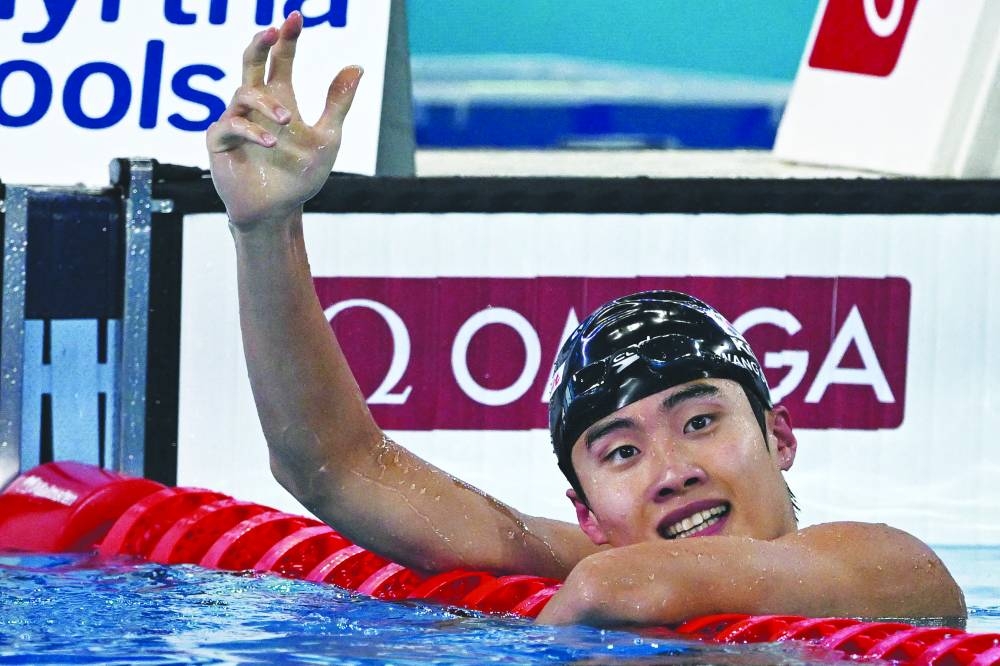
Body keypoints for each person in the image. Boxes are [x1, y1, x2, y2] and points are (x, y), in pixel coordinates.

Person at [207, 12, 966, 627]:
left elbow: (625, 590)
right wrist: (264, 230)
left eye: (699, 421)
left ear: (781, 436)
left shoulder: (890, 566)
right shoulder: (584, 566)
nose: (673, 472)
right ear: (588, 514)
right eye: (621, 454)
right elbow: (333, 465)